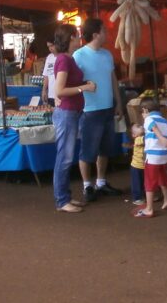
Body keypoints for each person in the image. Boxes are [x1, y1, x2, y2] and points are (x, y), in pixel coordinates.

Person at [73, 19, 123, 201]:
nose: (107, 34)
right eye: (104, 31)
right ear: (95, 35)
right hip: (89, 109)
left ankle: (101, 182)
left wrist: (118, 102)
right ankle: (87, 186)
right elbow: (72, 82)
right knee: (87, 149)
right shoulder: (78, 56)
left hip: (107, 107)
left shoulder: (107, 55)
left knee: (105, 148)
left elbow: (113, 79)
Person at [52, 24, 96, 213]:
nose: (80, 38)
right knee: (65, 157)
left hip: (72, 112)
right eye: (77, 36)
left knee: (66, 156)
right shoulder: (64, 60)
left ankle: (65, 197)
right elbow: (59, 90)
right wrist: (83, 88)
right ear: (70, 38)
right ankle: (62, 200)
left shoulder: (68, 59)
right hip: (67, 112)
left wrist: (83, 85)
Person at [134, 97, 167, 218]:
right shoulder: (164, 120)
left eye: (142, 112)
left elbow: (153, 126)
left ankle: (149, 208)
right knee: (163, 177)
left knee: (149, 181)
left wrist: (161, 138)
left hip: (152, 155)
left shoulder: (149, 119)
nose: (142, 115)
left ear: (145, 110)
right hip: (163, 155)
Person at [126, 124, 146, 206]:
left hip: (144, 166)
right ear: (134, 135)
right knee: (137, 183)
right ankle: (137, 198)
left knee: (144, 182)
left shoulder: (143, 137)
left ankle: (146, 196)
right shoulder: (138, 139)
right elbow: (146, 139)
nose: (140, 126)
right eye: (138, 126)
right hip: (136, 166)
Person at [41, 40, 58, 106]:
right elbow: (46, 75)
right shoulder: (49, 57)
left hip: (61, 95)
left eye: (52, 45)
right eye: (48, 46)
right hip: (51, 95)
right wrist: (44, 90)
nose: (50, 49)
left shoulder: (64, 56)